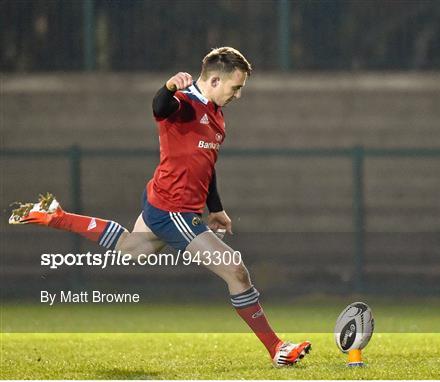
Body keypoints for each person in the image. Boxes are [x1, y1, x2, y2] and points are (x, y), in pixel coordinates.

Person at [9, 47, 311, 367]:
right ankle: (277, 348)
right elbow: (160, 106)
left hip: (167, 201)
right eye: (236, 87)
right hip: (173, 209)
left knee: (131, 249)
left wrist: (216, 208)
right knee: (235, 269)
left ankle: (56, 216)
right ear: (214, 80)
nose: (239, 94)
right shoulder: (184, 103)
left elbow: (205, 166)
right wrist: (168, 87)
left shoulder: (216, 114)